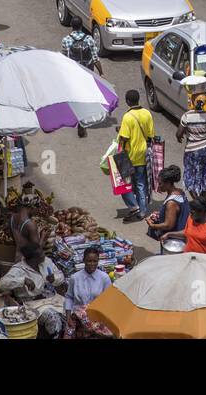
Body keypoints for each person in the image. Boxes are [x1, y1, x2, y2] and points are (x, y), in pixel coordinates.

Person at [0, 243, 68, 338]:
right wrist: (23, 280)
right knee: (53, 318)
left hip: (52, 299)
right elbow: (3, 283)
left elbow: (61, 276)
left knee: (70, 313)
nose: (43, 256)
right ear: (31, 259)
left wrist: (54, 279)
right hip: (32, 304)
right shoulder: (19, 269)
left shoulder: (47, 262)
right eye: (40, 255)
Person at [115, 91, 155, 223]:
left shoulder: (127, 117)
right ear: (138, 99)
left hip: (130, 157)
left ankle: (134, 206)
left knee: (124, 184)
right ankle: (143, 211)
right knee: (141, 184)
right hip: (143, 155)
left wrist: (119, 132)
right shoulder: (147, 113)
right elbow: (150, 135)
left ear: (127, 101)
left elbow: (124, 137)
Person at [145, 165, 188, 242]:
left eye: (160, 183)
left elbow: (168, 225)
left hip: (174, 241)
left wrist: (152, 225)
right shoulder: (180, 192)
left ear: (168, 183)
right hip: (182, 234)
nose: (159, 186)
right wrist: (161, 213)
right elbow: (177, 213)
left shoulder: (171, 203)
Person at [65, 245, 112, 312]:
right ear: (84, 260)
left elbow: (108, 299)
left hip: (97, 316)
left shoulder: (104, 278)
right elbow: (69, 297)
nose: (92, 264)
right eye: (89, 261)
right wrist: (68, 317)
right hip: (78, 316)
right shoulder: (75, 278)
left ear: (98, 261)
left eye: (95, 261)